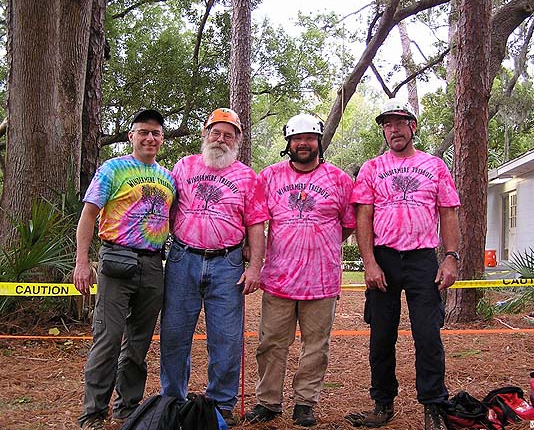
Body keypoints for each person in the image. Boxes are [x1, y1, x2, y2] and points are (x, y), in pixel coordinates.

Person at [350, 98, 460, 429]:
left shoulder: (435, 166)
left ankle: (434, 405)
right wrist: (369, 263)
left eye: (399, 123)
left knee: (428, 335)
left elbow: (449, 211)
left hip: (422, 260)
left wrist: (451, 257)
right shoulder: (371, 168)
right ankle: (382, 404)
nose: (393, 129)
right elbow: (363, 216)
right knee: (381, 336)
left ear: (412, 126)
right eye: (387, 124)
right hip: (383, 259)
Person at [242, 114, 356, 427]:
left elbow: (348, 224)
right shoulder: (269, 177)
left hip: (321, 282)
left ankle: (305, 402)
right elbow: (255, 221)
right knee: (271, 345)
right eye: (296, 138)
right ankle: (268, 402)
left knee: (316, 347)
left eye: (309, 138)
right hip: (278, 279)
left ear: (319, 142)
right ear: (288, 143)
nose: (303, 143)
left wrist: (320, 241)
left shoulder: (339, 180)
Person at [159, 107, 269, 426]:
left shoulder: (247, 176)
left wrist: (254, 268)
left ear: (237, 141)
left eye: (228, 134)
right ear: (205, 134)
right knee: (174, 333)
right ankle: (173, 400)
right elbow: (165, 210)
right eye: (215, 132)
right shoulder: (184, 166)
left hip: (228, 264)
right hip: (183, 259)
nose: (220, 139)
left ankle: (221, 403)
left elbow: (256, 226)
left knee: (226, 337)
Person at [73, 109, 176, 430]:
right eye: (143, 132)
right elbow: (89, 215)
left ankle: (127, 407)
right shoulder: (113, 169)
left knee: (139, 342)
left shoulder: (168, 177)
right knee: (108, 338)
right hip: (116, 260)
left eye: (156, 133)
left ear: (161, 139)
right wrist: (81, 261)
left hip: (152, 264)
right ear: (131, 136)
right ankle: (93, 412)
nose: (150, 138)